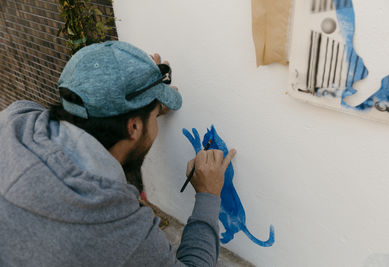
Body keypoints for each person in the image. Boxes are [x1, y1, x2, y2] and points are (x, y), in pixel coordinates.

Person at [0, 41, 236, 267]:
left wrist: (143, 113)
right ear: (133, 127)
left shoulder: (17, 119)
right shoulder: (114, 228)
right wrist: (208, 194)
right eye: (154, 116)